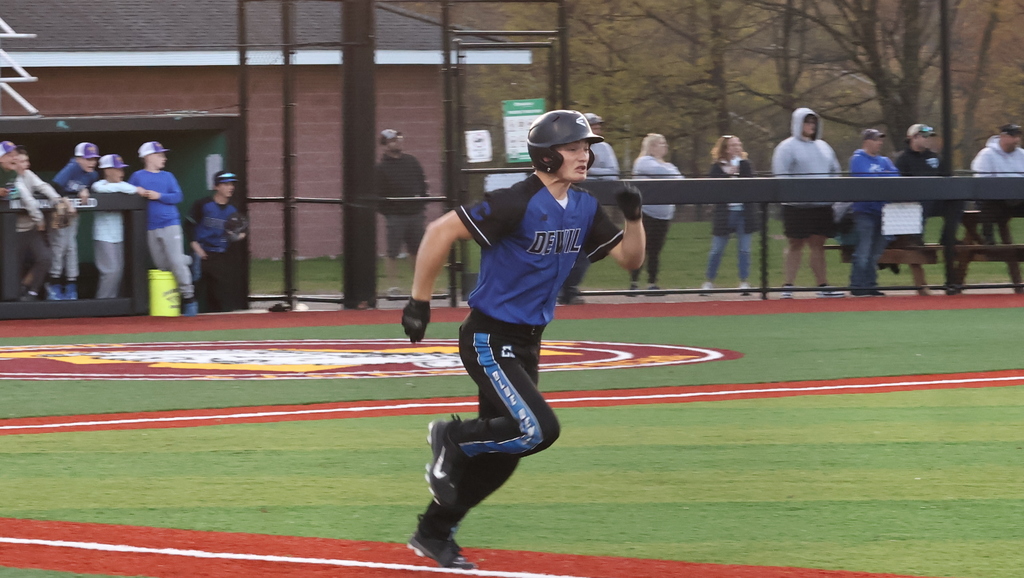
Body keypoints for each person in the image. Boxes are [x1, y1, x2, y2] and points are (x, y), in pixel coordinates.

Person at [399, 110, 645, 570]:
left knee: (505, 456)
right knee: (538, 429)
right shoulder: (515, 201)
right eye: (573, 148)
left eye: (586, 148)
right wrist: (419, 302)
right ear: (547, 156)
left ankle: (432, 532)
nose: (584, 155)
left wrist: (633, 217)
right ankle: (450, 437)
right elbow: (440, 230)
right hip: (489, 338)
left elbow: (631, 260)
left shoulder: (583, 206)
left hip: (528, 342)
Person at [771, 108, 844, 298]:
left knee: (818, 244)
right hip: (796, 206)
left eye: (813, 122)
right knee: (795, 244)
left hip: (821, 206)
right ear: (798, 123)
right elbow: (781, 174)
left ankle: (823, 286)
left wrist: (830, 195)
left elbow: (835, 172)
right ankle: (788, 286)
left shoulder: (824, 147)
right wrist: (794, 195)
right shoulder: (786, 147)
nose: (811, 125)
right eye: (807, 122)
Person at [128, 141, 198, 316]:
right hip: (150, 226)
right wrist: (136, 190)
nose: (164, 158)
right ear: (148, 157)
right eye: (159, 155)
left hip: (170, 223)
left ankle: (189, 298)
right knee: (162, 264)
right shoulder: (137, 176)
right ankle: (190, 260)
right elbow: (126, 191)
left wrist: (158, 195)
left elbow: (178, 196)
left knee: (175, 262)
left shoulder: (168, 176)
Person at [559, 112, 620, 305]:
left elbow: (613, 172)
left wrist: (589, 171)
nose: (597, 128)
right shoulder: (569, 146)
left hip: (593, 205)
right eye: (593, 125)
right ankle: (561, 289)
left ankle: (569, 289)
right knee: (562, 247)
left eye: (598, 125)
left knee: (585, 247)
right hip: (569, 204)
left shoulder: (604, 147)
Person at [0, 143, 61, 301]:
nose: (24, 164)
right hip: (11, 231)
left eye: (23, 159)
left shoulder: (24, 174)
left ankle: (30, 292)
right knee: (12, 267)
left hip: (30, 229)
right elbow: (27, 199)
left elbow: (43, 186)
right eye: (20, 160)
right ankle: (13, 298)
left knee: (45, 258)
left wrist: (57, 200)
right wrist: (40, 219)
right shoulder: (10, 175)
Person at [703, 135, 759, 295]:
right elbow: (713, 189)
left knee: (744, 250)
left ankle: (744, 282)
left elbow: (751, 186)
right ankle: (709, 281)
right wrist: (727, 175)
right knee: (717, 249)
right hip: (724, 215)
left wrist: (739, 171)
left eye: (738, 144)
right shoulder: (716, 167)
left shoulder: (746, 165)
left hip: (743, 214)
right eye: (733, 145)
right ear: (725, 149)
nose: (737, 148)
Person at [376, 129, 428, 295]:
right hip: (395, 216)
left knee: (417, 250)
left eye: (399, 139)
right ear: (385, 145)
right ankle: (393, 286)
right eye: (393, 140)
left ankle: (418, 286)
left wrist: (421, 204)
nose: (398, 142)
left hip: (415, 214)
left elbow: (422, 183)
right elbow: (378, 195)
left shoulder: (411, 161)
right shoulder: (381, 168)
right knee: (392, 252)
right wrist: (389, 212)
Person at [186, 171, 247, 312]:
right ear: (216, 186)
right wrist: (196, 247)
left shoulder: (233, 209)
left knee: (220, 296)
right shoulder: (203, 204)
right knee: (193, 290)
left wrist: (237, 236)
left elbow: (240, 232)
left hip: (220, 254)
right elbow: (189, 225)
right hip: (201, 254)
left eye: (232, 184)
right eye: (226, 184)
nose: (230, 187)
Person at [847, 129, 899, 296]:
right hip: (865, 212)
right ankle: (857, 286)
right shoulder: (857, 159)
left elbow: (897, 178)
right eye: (876, 140)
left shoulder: (884, 160)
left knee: (875, 253)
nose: (880, 143)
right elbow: (864, 179)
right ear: (866, 142)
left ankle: (870, 285)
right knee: (863, 250)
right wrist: (884, 175)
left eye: (880, 140)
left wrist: (882, 176)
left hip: (883, 213)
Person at [46, 142, 99, 300]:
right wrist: (66, 201)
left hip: (73, 214)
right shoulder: (73, 167)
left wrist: (85, 190)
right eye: (88, 159)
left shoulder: (92, 175)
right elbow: (55, 186)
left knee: (71, 247)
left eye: (94, 159)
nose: (92, 162)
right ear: (78, 158)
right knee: (59, 246)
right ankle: (53, 284)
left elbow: (92, 187)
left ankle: (71, 284)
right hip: (59, 211)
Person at [629, 133, 680, 293]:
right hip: (646, 212)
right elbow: (664, 173)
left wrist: (672, 174)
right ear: (652, 146)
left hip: (664, 214)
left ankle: (652, 283)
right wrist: (671, 174)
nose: (665, 146)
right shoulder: (643, 162)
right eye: (661, 143)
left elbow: (679, 178)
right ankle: (634, 283)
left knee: (655, 250)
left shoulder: (668, 165)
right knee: (641, 248)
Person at [91, 154, 146, 299]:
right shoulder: (99, 185)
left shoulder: (123, 187)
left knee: (118, 271)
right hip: (103, 236)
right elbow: (101, 189)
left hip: (118, 236)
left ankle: (112, 302)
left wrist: (130, 188)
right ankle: (102, 303)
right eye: (117, 169)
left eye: (122, 169)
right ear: (107, 170)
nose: (121, 172)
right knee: (111, 271)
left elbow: (126, 188)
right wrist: (134, 189)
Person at [970, 123, 1024, 244]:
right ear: (1003, 136)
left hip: (1018, 199)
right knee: (989, 203)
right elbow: (982, 181)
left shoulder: (1022, 155)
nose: (1017, 140)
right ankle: (988, 238)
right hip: (994, 200)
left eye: (1018, 136)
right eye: (1013, 136)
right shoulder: (986, 155)